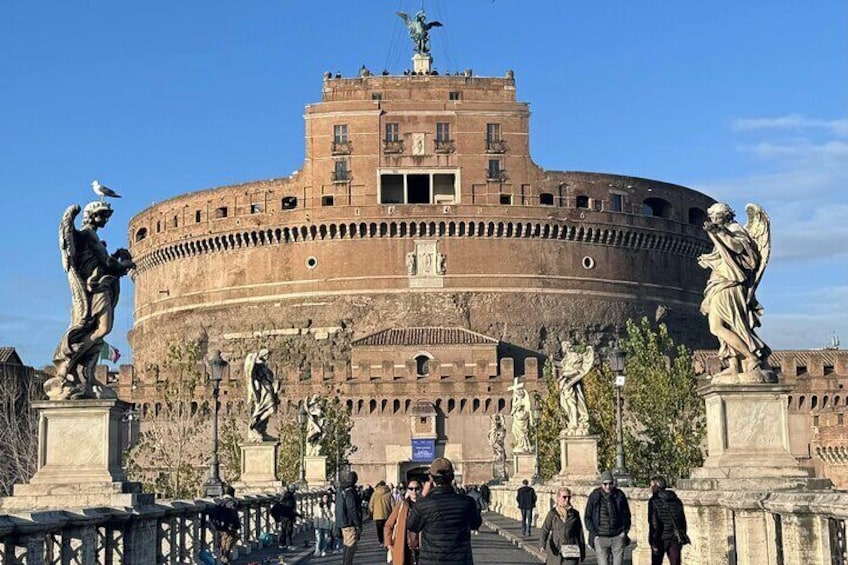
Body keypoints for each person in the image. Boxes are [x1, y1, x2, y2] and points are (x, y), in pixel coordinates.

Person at [50, 201, 135, 400]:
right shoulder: (88, 233)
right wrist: (129, 263)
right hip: (96, 289)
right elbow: (107, 262)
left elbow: (102, 262)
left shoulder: (90, 236)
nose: (104, 219)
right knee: (101, 329)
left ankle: (85, 375)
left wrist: (116, 260)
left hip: (102, 286)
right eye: (101, 215)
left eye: (106, 216)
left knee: (98, 333)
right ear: (90, 216)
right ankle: (67, 363)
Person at [697, 202, 771, 374]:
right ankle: (734, 365)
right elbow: (722, 255)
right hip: (720, 282)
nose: (715, 220)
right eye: (712, 217)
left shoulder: (735, 228)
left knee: (722, 325)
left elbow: (739, 248)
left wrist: (719, 232)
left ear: (727, 216)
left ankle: (751, 357)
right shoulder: (722, 230)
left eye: (718, 217)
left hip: (731, 284)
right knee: (726, 326)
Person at [407, 457, 482, 565]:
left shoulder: (423, 504)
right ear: (452, 477)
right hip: (460, 560)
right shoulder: (467, 502)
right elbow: (476, 524)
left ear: (431, 478)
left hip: (431, 560)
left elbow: (413, 532)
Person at [584, 471, 631, 565]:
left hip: (617, 536)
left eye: (610, 483)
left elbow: (627, 515)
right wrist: (595, 535)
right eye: (605, 484)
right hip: (601, 537)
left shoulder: (619, 495)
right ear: (601, 484)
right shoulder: (594, 496)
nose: (608, 486)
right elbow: (587, 517)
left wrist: (624, 531)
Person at [540, 487, 586, 565]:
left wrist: (582, 551)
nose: (567, 499)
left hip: (571, 551)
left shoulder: (575, 514)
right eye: (564, 497)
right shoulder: (553, 513)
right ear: (558, 498)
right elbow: (545, 529)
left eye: (569, 497)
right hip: (556, 550)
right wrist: (542, 544)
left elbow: (580, 533)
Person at [648, 476, 688, 565]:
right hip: (674, 537)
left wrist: (653, 542)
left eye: (651, 485)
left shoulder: (654, 501)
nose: (650, 488)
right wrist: (681, 535)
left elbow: (654, 524)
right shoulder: (676, 500)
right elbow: (682, 521)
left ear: (655, 486)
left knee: (656, 562)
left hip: (660, 538)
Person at [243, 348, 280, 441]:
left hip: (268, 388)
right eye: (267, 354)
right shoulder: (256, 364)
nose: (268, 356)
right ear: (263, 354)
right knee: (269, 409)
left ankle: (260, 428)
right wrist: (253, 360)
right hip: (263, 390)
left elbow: (270, 378)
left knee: (271, 409)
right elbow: (250, 375)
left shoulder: (264, 365)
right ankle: (254, 426)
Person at [384, 478, 422, 565]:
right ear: (407, 490)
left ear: (421, 489)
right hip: (404, 547)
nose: (414, 491)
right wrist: (389, 544)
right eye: (411, 488)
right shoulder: (401, 506)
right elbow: (388, 525)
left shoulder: (426, 505)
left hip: (422, 548)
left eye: (417, 488)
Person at [335, 470, 363, 565]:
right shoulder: (349, 492)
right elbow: (352, 509)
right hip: (350, 522)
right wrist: (358, 524)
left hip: (343, 522)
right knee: (350, 548)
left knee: (347, 547)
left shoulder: (340, 491)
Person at [207, 485, 240, 564]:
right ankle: (224, 560)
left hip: (220, 526)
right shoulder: (231, 503)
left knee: (222, 543)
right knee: (228, 544)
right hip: (229, 527)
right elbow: (233, 515)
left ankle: (222, 559)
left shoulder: (220, 502)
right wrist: (234, 526)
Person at [369, 480, 393, 545]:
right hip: (388, 514)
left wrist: (371, 511)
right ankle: (387, 540)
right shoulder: (389, 493)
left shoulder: (375, 493)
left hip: (377, 514)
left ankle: (381, 541)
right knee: (387, 529)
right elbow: (393, 504)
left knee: (379, 529)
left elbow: (371, 504)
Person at [314, 492, 335, 557]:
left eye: (326, 498)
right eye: (324, 498)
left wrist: (327, 510)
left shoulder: (331, 505)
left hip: (326, 524)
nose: (325, 499)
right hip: (319, 524)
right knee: (318, 538)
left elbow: (331, 516)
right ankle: (317, 550)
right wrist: (315, 525)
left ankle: (324, 550)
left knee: (325, 538)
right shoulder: (318, 505)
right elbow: (316, 515)